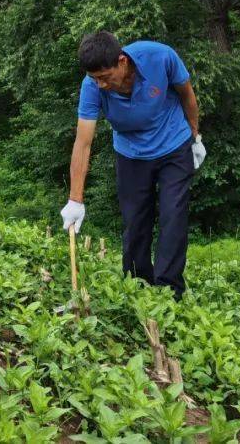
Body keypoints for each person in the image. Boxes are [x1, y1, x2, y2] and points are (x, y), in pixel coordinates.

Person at [61, 31, 205, 300]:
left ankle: (169, 292)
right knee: (136, 222)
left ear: (122, 61)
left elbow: (187, 96)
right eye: (95, 79)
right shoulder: (91, 87)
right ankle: (137, 286)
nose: (101, 85)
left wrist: (195, 137)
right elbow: (83, 142)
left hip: (173, 146)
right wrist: (75, 199)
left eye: (105, 77)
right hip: (131, 154)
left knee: (173, 215)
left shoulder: (160, 57)